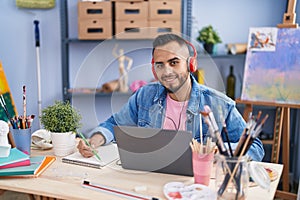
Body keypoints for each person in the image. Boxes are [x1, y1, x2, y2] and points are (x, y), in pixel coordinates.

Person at [77, 33, 264, 161]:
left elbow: (255, 146)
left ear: (191, 64)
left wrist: (219, 155)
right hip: (150, 179)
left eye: (174, 63)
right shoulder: (144, 96)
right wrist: (95, 140)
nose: (166, 71)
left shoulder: (219, 104)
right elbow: (113, 124)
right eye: (160, 65)